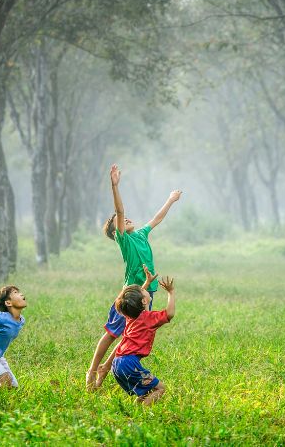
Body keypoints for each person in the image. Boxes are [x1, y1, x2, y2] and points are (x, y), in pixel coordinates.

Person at [86, 164, 182, 390]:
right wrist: (114, 186)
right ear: (115, 231)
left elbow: (157, 219)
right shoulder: (124, 240)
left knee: (132, 333)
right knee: (112, 333)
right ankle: (92, 370)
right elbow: (119, 211)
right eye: (119, 221)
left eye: (127, 218)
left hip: (147, 292)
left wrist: (170, 200)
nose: (126, 219)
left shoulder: (140, 234)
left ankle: (106, 369)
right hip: (130, 294)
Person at [112, 268, 175, 405]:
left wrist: (146, 283)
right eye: (143, 290)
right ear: (144, 301)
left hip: (117, 363)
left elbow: (134, 300)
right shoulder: (149, 318)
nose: (145, 289)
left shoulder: (130, 316)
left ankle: (136, 409)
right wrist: (171, 292)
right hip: (129, 364)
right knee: (160, 388)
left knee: (147, 391)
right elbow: (169, 313)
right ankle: (142, 415)